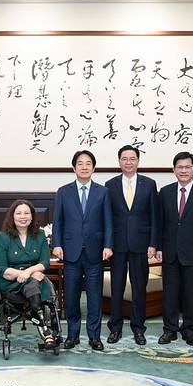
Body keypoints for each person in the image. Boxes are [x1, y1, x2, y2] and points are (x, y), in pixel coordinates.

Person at [53, 150, 113, 351]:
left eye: (88, 164)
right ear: (74, 167)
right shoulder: (63, 191)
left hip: (95, 252)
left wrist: (108, 245)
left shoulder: (102, 192)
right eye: (80, 163)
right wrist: (58, 244)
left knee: (95, 297)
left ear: (94, 168)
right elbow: (58, 222)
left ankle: (94, 337)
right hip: (70, 252)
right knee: (71, 296)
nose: (84, 167)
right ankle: (72, 335)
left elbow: (108, 222)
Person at [156, 152, 193, 346]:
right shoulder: (164, 192)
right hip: (170, 253)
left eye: (187, 167)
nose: (183, 170)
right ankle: (169, 330)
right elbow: (160, 224)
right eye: (179, 167)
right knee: (170, 294)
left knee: (191, 295)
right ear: (174, 170)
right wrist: (158, 247)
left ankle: (189, 331)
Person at [104, 145, 158, 346]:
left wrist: (153, 242)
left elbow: (154, 215)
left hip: (141, 244)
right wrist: (107, 244)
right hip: (117, 245)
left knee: (138, 288)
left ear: (138, 161)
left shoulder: (149, 184)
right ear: (119, 162)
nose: (128, 162)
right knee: (117, 288)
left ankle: (138, 328)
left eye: (132, 158)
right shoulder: (110, 185)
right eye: (124, 159)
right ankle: (115, 328)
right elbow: (107, 217)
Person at [0, 199, 57, 349]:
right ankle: (43, 325)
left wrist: (28, 272)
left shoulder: (40, 235)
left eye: (27, 213)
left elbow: (45, 262)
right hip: (10, 280)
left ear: (32, 216)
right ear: (12, 216)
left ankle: (41, 319)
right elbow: (0, 267)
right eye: (19, 213)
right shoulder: (3, 237)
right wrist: (24, 274)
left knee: (34, 282)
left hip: (33, 276)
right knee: (33, 282)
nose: (23, 217)